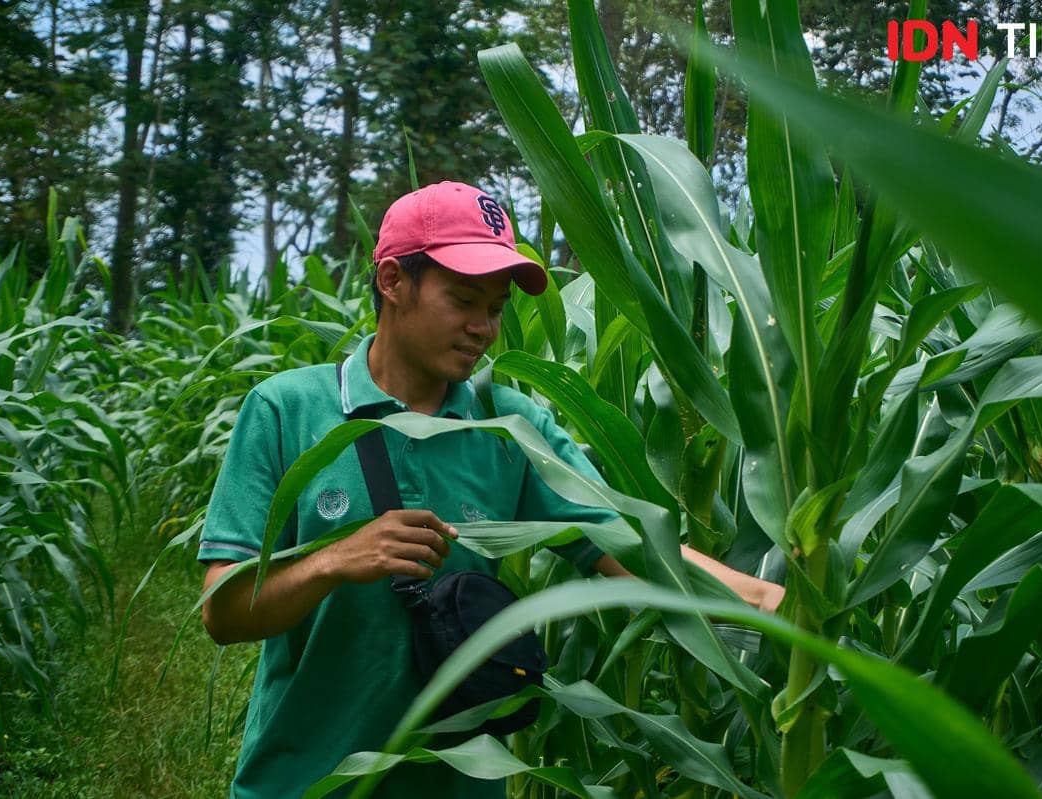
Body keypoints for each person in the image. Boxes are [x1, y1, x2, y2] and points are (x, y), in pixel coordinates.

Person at [198, 181, 785, 799]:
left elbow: (635, 550)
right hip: (305, 782)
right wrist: (338, 560)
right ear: (393, 282)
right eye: (463, 299)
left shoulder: (511, 429)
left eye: (496, 307)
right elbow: (223, 613)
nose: (483, 328)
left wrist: (766, 602)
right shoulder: (288, 410)